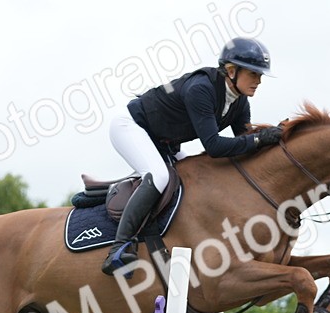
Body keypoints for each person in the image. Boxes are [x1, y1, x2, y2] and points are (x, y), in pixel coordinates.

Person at [101, 37, 284, 275]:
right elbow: (214, 146)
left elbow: (244, 144)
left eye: (260, 75)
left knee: (197, 180)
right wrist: (259, 139)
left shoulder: (240, 102)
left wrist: (274, 138)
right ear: (231, 71)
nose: (258, 81)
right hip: (132, 127)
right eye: (253, 74)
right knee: (159, 176)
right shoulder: (202, 89)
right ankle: (119, 247)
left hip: (165, 142)